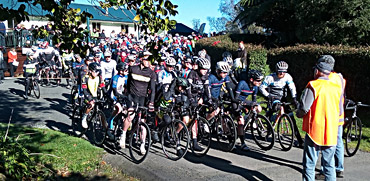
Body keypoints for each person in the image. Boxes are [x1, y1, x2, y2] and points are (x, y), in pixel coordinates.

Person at [296, 60, 342, 181]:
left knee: (309, 164)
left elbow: (304, 108)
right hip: (331, 130)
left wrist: (298, 113)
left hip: (315, 130)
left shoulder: (313, 85)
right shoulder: (337, 87)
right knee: (329, 165)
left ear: (318, 71)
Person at [259, 61, 304, 147]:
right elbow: (262, 88)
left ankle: (300, 141)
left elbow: (292, 87)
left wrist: (294, 98)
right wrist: (268, 95)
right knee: (275, 108)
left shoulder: (287, 77)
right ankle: (268, 125)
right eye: (280, 71)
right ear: (276, 70)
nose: (282, 73)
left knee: (292, 118)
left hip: (282, 97)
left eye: (284, 71)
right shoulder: (270, 78)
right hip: (272, 97)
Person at [316, 55, 346, 179]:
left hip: (329, 115)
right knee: (338, 141)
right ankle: (339, 168)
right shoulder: (340, 77)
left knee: (327, 143)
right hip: (340, 114)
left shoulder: (328, 79)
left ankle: (325, 170)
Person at [120, 54, 156, 155]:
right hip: (132, 96)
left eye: (150, 60)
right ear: (141, 60)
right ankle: (123, 135)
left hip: (142, 98)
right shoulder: (133, 69)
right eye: (147, 60)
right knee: (130, 116)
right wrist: (126, 94)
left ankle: (142, 144)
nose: (148, 62)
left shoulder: (152, 73)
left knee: (143, 122)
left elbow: (152, 90)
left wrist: (151, 102)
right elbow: (128, 82)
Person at [234, 69, 264, 151]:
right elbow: (236, 98)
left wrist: (253, 106)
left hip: (245, 101)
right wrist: (243, 107)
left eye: (261, 80)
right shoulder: (242, 84)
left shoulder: (255, 87)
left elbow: (254, 100)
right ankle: (243, 143)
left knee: (259, 108)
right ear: (251, 79)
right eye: (258, 80)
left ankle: (251, 120)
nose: (259, 82)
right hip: (237, 101)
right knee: (241, 122)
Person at [106, 62, 129, 140]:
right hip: (113, 96)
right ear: (120, 70)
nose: (126, 71)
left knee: (126, 111)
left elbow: (127, 87)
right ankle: (110, 121)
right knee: (118, 109)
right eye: (125, 69)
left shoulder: (125, 77)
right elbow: (115, 91)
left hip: (121, 95)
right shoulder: (115, 78)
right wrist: (123, 96)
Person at [81, 62, 106, 128]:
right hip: (87, 95)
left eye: (98, 72)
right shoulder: (85, 78)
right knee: (91, 105)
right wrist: (89, 99)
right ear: (90, 71)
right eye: (96, 71)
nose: (97, 73)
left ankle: (105, 127)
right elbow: (84, 90)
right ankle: (84, 118)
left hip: (95, 95)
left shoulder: (99, 77)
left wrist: (107, 95)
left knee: (102, 108)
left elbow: (103, 87)